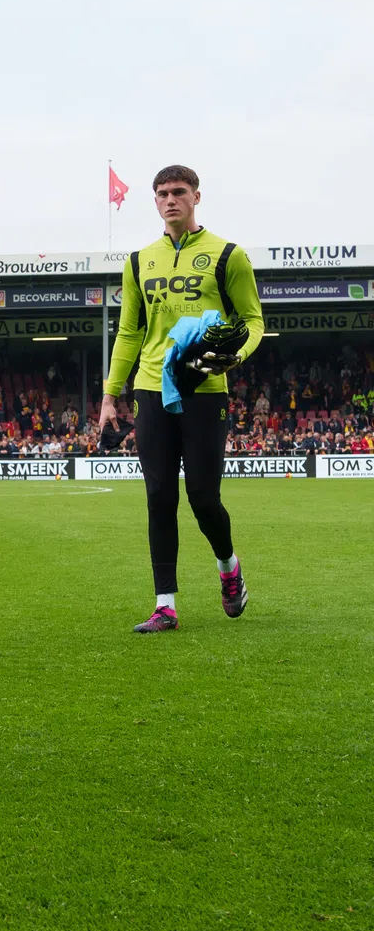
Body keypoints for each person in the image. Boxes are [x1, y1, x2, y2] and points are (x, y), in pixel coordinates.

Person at [99, 164, 264, 633]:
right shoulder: (137, 261)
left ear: (196, 197)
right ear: (154, 202)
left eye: (179, 192)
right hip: (151, 388)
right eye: (162, 194)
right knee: (158, 496)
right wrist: (112, 394)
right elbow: (129, 331)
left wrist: (235, 357)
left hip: (204, 389)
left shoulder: (227, 255)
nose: (170, 200)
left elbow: (252, 321)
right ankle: (165, 605)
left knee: (203, 498)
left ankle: (228, 567)